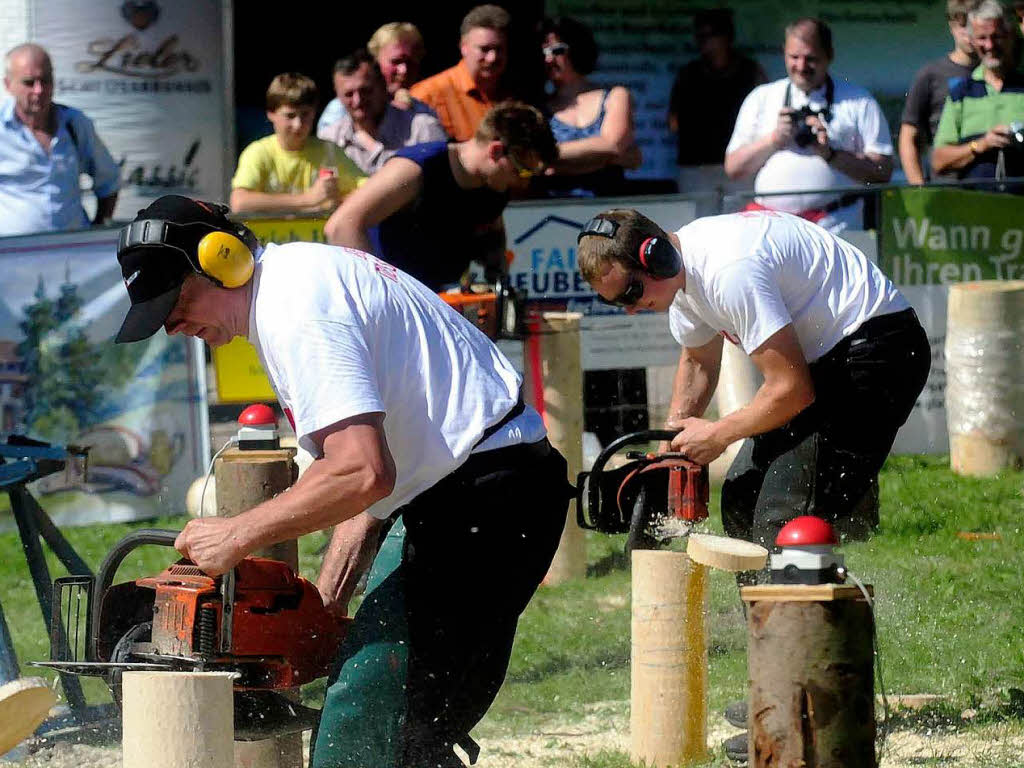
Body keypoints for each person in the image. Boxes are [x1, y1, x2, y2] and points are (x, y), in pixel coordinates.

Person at [112, 194, 571, 768]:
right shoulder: (298, 283)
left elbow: (361, 470)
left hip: (486, 499)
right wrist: (323, 609)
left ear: (220, 257)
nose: (175, 327)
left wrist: (235, 536)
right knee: (398, 728)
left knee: (367, 732)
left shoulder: (295, 311)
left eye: (174, 304)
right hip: (475, 490)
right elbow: (369, 490)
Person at [577, 207, 930, 759]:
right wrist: (673, 447)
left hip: (875, 353)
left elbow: (790, 389)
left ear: (655, 255)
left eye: (630, 293)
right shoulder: (685, 288)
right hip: (824, 366)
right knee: (742, 499)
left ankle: (799, 703)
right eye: (617, 302)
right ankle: (780, 678)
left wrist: (716, 434)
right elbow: (697, 363)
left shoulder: (728, 269)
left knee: (784, 520)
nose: (631, 307)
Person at [324, 101, 557, 291]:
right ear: (495, 151)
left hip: (443, 301)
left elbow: (492, 231)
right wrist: (381, 294)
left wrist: (498, 280)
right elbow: (342, 226)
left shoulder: (494, 185)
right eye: (523, 170)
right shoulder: (418, 167)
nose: (524, 182)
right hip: (395, 300)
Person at [724, 18, 893, 232]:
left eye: (811, 58)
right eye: (794, 57)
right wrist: (774, 140)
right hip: (771, 227)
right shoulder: (761, 98)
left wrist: (830, 153)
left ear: (829, 55)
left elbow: (883, 172)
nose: (801, 67)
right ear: (784, 52)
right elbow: (733, 168)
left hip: (835, 225)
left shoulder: (859, 101)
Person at [0, 43, 119, 236]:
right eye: (29, 82)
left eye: (45, 80)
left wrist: (96, 234)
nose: (39, 90)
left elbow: (109, 181)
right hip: (12, 254)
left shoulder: (75, 123)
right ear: (8, 85)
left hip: (71, 253)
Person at [669, 9, 766, 206]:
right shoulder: (688, 74)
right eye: (700, 36)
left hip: (739, 167)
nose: (704, 41)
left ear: (727, 37)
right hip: (697, 168)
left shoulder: (751, 71)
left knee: (742, 226)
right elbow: (673, 123)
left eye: (711, 35)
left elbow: (765, 118)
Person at [230, 73, 364, 215]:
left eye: (305, 114)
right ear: (271, 114)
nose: (298, 124)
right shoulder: (258, 153)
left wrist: (339, 202)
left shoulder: (329, 150)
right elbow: (239, 202)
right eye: (290, 116)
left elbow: (367, 189)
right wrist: (306, 200)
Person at [538, 16, 641, 197]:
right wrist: (605, 160)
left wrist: (553, 157)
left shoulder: (615, 96)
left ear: (577, 48)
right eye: (543, 52)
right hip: (555, 209)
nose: (548, 59)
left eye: (557, 50)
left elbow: (614, 145)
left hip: (608, 209)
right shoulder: (538, 108)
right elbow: (535, 163)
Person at [932, 0, 1024, 185]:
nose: (989, 45)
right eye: (982, 38)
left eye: (996, 37)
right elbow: (939, 160)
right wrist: (981, 144)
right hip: (974, 207)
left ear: (1010, 37)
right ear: (972, 41)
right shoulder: (961, 92)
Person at [318, 50, 447, 175]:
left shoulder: (423, 129)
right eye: (348, 94)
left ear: (382, 85)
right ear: (337, 95)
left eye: (366, 91)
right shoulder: (329, 139)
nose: (357, 101)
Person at [899, 1, 979, 185]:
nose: (969, 33)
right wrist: (918, 187)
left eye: (973, 24)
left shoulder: (996, 73)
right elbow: (908, 136)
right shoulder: (931, 75)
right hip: (946, 183)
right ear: (952, 26)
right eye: (962, 25)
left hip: (990, 182)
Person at [410, 5, 511, 141]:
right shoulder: (427, 95)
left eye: (499, 49)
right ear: (464, 47)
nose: (492, 57)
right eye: (484, 49)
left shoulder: (515, 95)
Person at [317, 22, 431, 133]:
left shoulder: (423, 111)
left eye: (410, 62)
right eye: (396, 61)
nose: (404, 70)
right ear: (375, 61)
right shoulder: (342, 109)